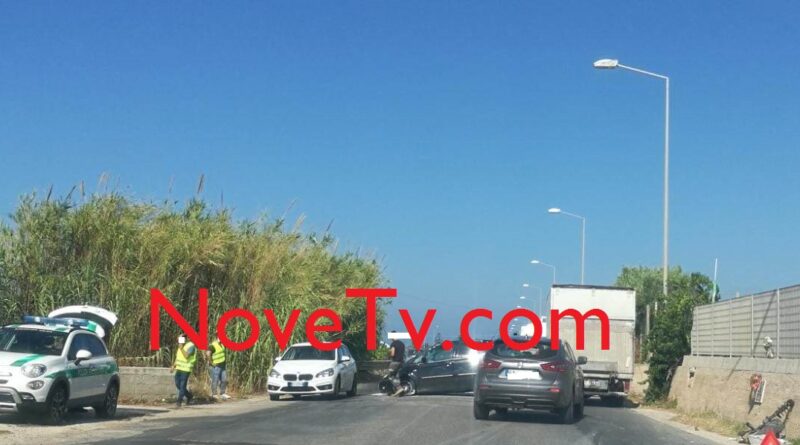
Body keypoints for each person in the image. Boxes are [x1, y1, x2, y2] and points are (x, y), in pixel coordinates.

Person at [171, 334, 196, 408]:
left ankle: (179, 401)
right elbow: (178, 357)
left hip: (186, 369)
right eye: (179, 339)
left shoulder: (191, 346)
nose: (180, 341)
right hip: (179, 368)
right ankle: (189, 396)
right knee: (177, 384)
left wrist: (181, 348)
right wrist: (173, 366)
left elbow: (186, 356)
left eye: (181, 339)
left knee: (182, 385)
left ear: (186, 339)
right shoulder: (180, 346)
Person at [206, 335, 230, 400]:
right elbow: (208, 354)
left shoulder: (222, 344)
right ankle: (214, 394)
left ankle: (223, 393)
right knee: (215, 380)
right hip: (215, 366)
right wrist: (211, 363)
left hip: (222, 365)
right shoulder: (212, 345)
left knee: (224, 379)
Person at [388, 332, 406, 396]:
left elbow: (393, 354)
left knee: (390, 376)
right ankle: (399, 391)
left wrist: (389, 353)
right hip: (401, 362)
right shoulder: (402, 344)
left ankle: (399, 388)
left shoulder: (393, 344)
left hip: (394, 362)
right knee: (397, 376)